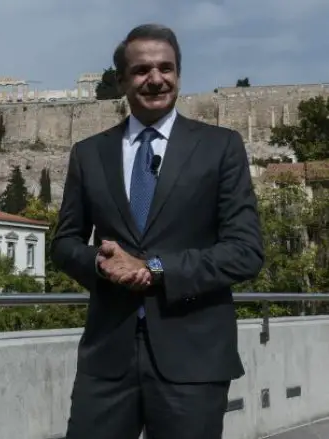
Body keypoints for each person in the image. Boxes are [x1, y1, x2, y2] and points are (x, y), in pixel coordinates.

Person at [51, 24, 264, 439]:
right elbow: (64, 244)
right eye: (142, 69)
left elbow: (245, 250)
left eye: (166, 68)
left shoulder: (220, 147)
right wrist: (99, 263)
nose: (155, 79)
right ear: (121, 80)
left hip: (193, 359)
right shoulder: (89, 154)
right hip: (107, 359)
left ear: (179, 74)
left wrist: (154, 268)